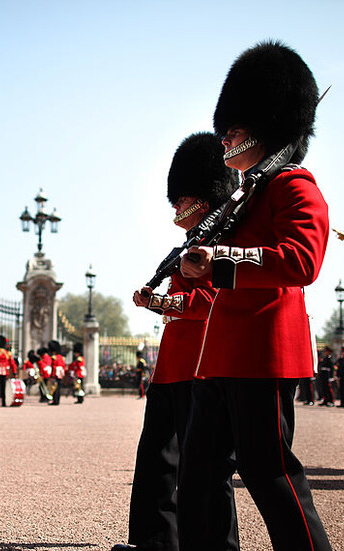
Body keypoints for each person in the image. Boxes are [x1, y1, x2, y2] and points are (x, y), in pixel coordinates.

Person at [178, 41, 332, 551]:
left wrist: (222, 261)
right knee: (198, 475)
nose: (226, 137)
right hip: (221, 353)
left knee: (270, 474)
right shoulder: (250, 194)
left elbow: (301, 261)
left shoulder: (294, 186)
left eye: (234, 129)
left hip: (262, 351)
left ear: (264, 125)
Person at [113, 131, 236, 551]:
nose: (176, 206)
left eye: (181, 199)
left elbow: (205, 302)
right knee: (157, 461)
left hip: (200, 363)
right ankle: (156, 541)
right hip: (172, 364)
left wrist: (159, 301)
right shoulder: (191, 243)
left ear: (203, 198)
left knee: (202, 467)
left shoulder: (218, 245)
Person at [49, 340, 66, 406]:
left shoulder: (54, 357)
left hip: (55, 374)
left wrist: (52, 375)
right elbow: (63, 366)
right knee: (58, 388)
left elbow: (54, 366)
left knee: (54, 388)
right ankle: (57, 400)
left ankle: (55, 401)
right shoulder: (61, 357)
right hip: (60, 374)